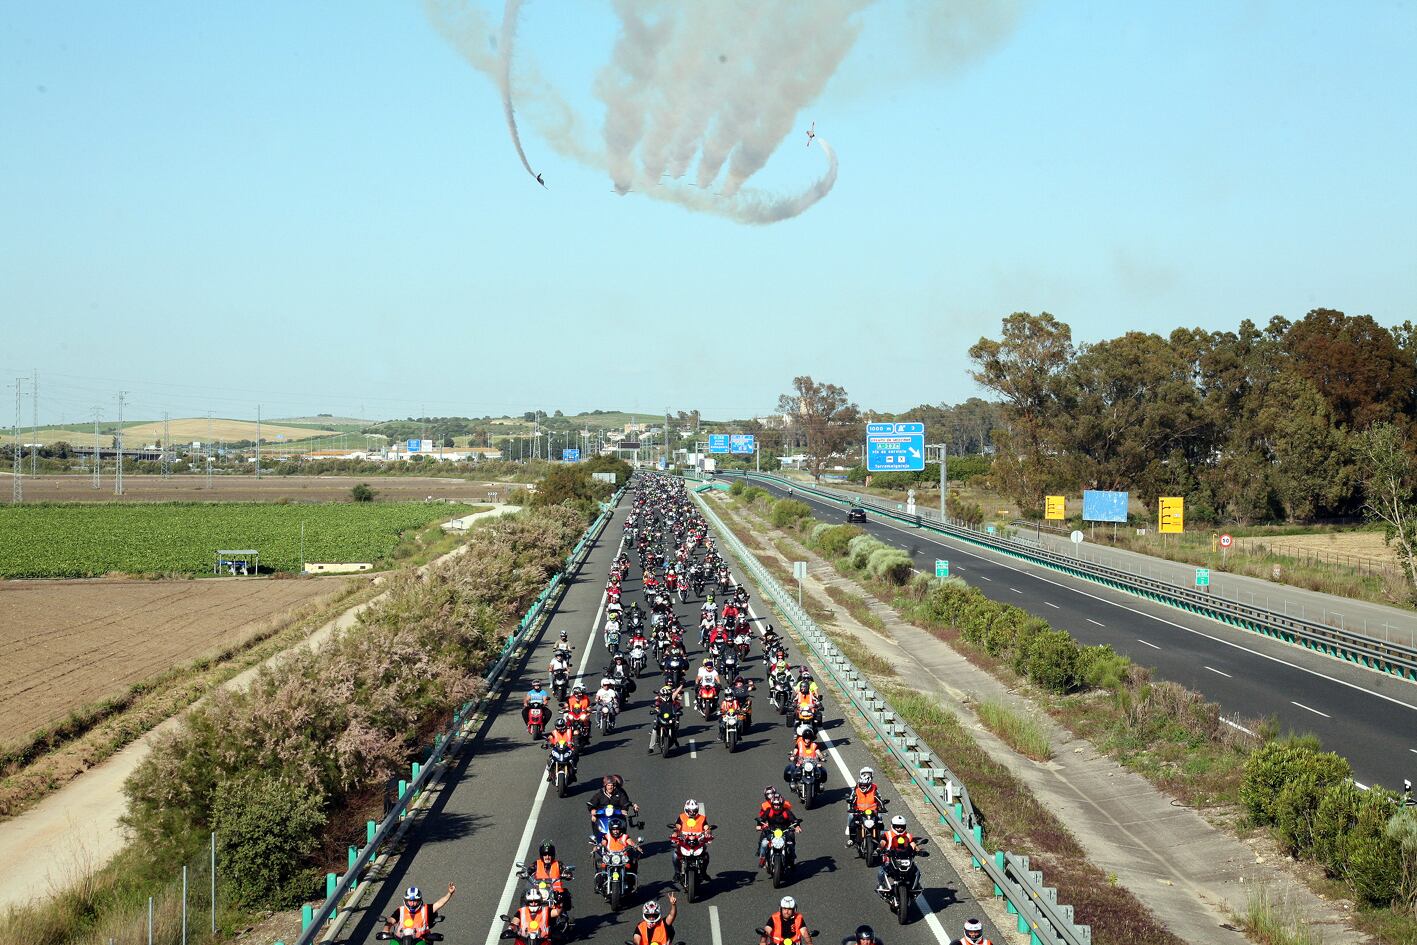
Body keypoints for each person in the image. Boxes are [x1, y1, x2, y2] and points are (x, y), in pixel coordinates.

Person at [384, 884, 456, 939]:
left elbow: (439, 903)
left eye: (415, 901)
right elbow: (391, 920)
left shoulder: (425, 908)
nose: (412, 904)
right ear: (405, 900)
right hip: (401, 939)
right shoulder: (400, 910)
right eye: (410, 901)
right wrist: (385, 931)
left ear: (419, 900)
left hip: (422, 940)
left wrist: (449, 893)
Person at [876, 815, 921, 893]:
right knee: (881, 872)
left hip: (906, 859)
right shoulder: (887, 834)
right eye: (897, 826)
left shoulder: (908, 835)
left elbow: (913, 844)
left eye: (902, 826)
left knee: (916, 872)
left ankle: (915, 885)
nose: (900, 828)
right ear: (892, 826)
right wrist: (878, 849)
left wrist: (919, 851)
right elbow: (882, 842)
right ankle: (881, 885)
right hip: (890, 859)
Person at [671, 799, 713, 878]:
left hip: (698, 841)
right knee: (675, 855)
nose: (692, 813)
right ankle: (677, 873)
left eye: (694, 811)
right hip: (684, 841)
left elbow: (707, 828)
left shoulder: (702, 818)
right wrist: (675, 833)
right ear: (686, 809)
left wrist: (708, 833)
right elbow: (677, 827)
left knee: (706, 856)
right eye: (690, 811)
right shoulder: (682, 817)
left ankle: (704, 872)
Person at [756, 792, 802, 865]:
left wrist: (797, 826)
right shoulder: (769, 811)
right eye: (775, 805)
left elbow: (794, 820)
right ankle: (763, 857)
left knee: (790, 843)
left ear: (781, 804)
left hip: (784, 831)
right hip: (771, 831)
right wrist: (759, 825)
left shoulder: (786, 812)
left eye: (778, 805)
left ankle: (792, 857)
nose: (777, 807)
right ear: (772, 804)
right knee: (764, 843)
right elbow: (762, 819)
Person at [846, 767, 882, 846]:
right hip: (859, 811)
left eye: (869, 774)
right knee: (851, 817)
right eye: (864, 774)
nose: (863, 786)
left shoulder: (874, 789)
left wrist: (882, 807)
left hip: (872, 811)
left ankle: (879, 838)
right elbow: (852, 799)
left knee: (880, 818)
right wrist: (852, 808)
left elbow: (879, 799)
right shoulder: (856, 789)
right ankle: (851, 839)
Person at [649, 685, 682, 754]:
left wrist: (677, 711)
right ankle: (651, 747)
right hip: (661, 717)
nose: (665, 696)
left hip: (669, 718)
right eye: (664, 695)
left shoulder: (672, 700)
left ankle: (675, 739)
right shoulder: (659, 700)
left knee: (675, 727)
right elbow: (656, 707)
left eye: (667, 694)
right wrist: (654, 711)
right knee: (655, 728)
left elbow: (676, 706)